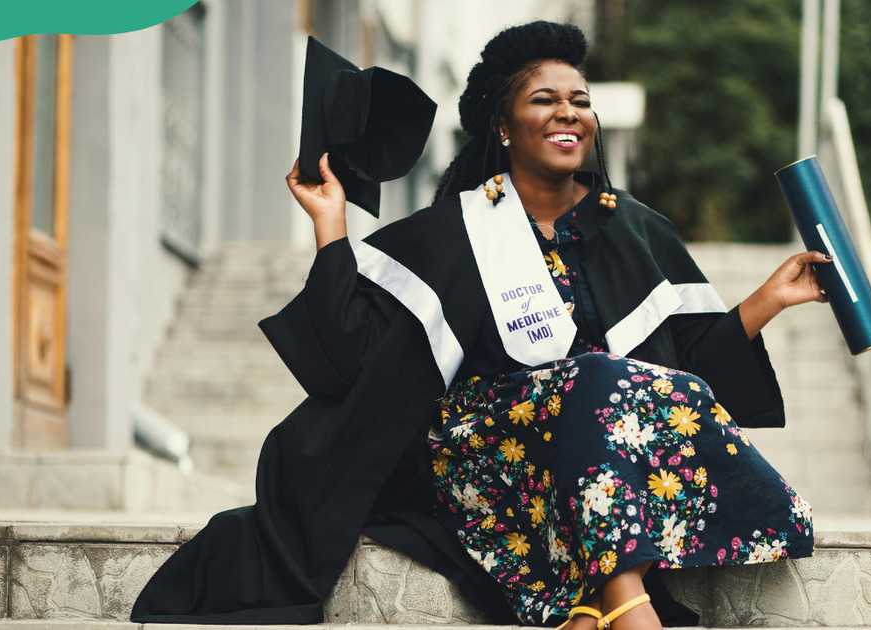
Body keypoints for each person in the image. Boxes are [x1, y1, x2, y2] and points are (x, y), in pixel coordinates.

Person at [286, 21, 822, 630]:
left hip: (602, 458)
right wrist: (330, 224)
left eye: (581, 101)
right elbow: (351, 352)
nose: (568, 112)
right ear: (503, 126)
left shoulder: (638, 230)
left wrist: (769, 299)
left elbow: (684, 377)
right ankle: (626, 603)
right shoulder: (454, 232)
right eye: (544, 99)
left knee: (653, 392)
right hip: (489, 458)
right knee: (593, 380)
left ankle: (594, 606)